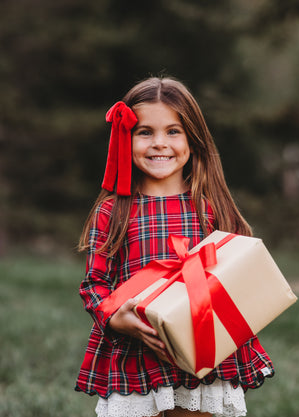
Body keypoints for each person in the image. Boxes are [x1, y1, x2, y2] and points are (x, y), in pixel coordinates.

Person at [75, 77, 274, 417]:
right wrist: (115, 319)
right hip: (137, 356)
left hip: (203, 351)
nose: (159, 144)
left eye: (172, 131)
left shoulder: (210, 208)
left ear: (192, 139)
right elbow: (94, 285)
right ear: (126, 138)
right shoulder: (113, 212)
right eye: (145, 132)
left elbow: (240, 274)